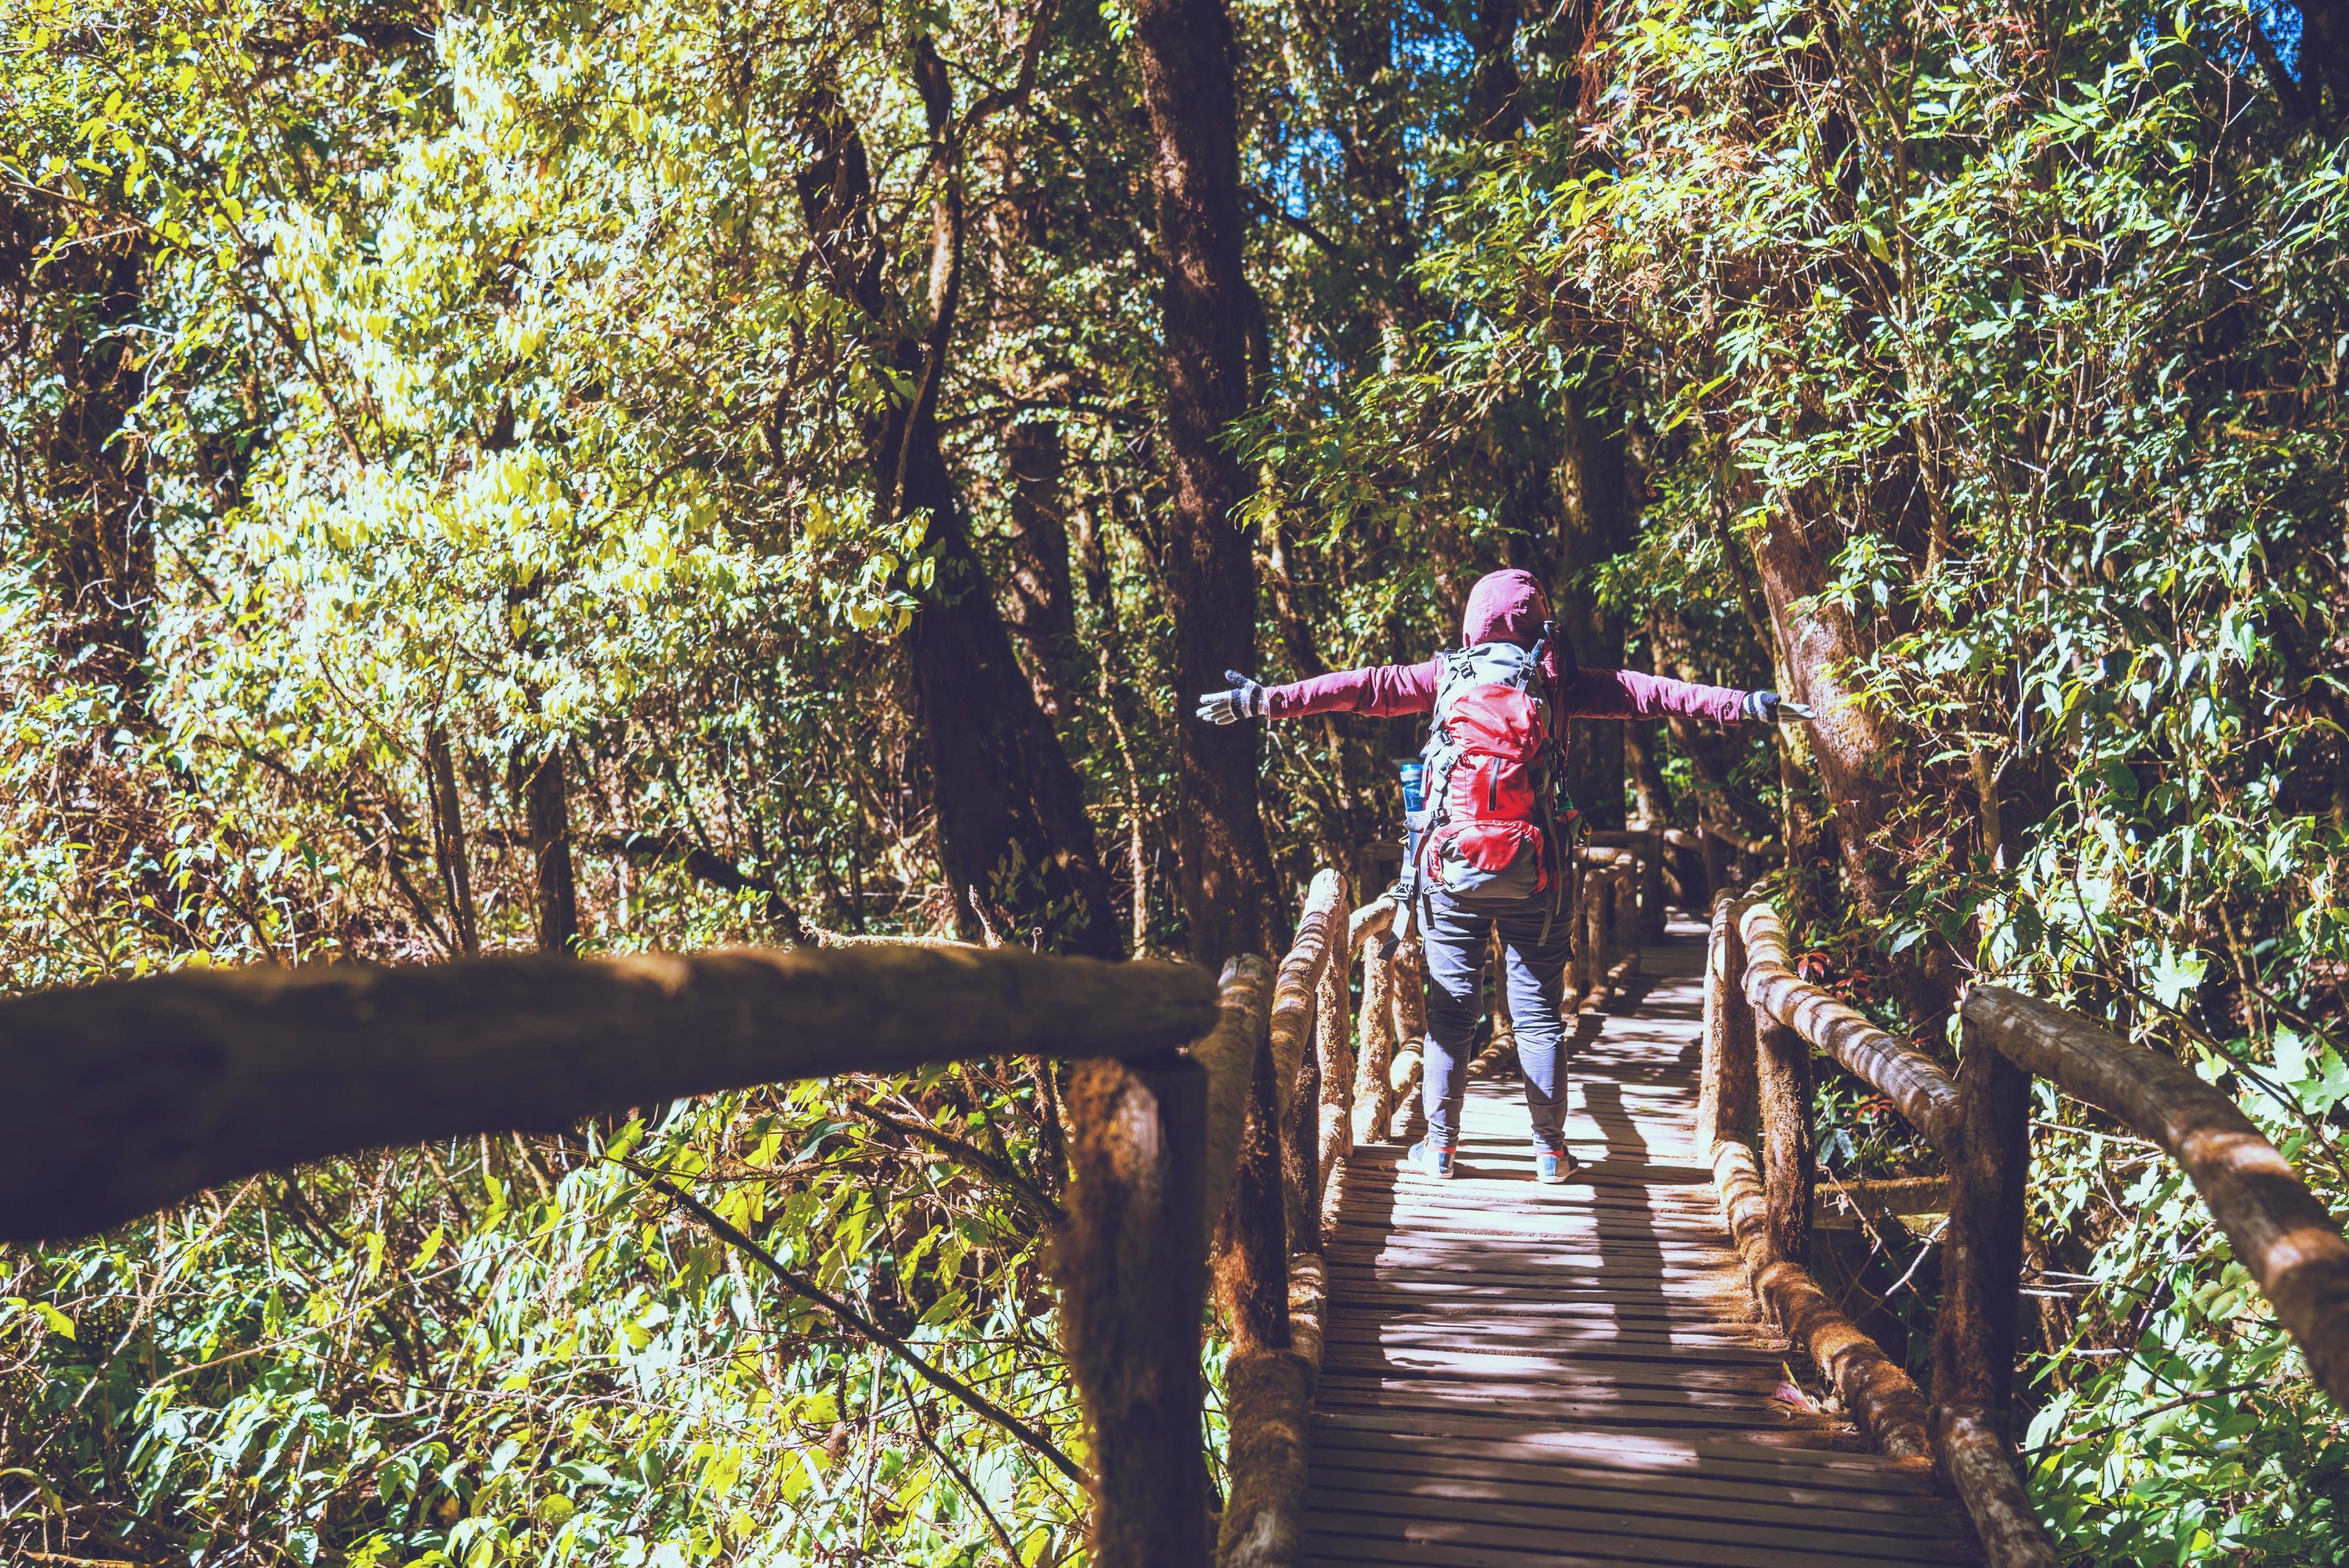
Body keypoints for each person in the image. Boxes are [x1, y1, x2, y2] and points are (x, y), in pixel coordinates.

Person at [1196, 567, 1811, 1184]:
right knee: (1538, 1016)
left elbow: (1359, 688)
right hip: (1537, 876)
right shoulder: (1559, 684)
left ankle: (1439, 1149)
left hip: (1451, 871)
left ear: (1473, 620)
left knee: (1451, 1014)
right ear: (1538, 619)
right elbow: (1657, 694)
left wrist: (1262, 699)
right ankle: (1550, 1153)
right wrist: (1750, 706)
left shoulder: (1445, 676)